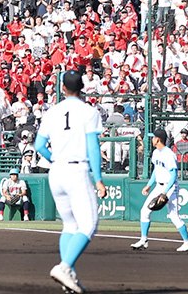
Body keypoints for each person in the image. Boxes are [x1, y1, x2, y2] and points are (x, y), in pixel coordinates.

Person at [35, 70, 107, 294]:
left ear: (63, 87)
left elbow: (38, 146)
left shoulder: (52, 112)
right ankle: (64, 267)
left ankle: (69, 276)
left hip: (56, 171)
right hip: (77, 170)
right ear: (82, 86)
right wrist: (99, 179)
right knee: (88, 225)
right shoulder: (88, 111)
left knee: (69, 225)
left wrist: (53, 159)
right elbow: (93, 147)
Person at [130, 128, 188, 252]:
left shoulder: (169, 154)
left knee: (174, 216)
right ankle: (144, 240)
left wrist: (165, 192)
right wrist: (148, 185)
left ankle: (187, 243)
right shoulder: (156, 153)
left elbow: (174, 174)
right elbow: (156, 170)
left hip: (170, 187)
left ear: (157, 139)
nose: (151, 139)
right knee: (144, 211)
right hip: (159, 186)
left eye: (153, 137)